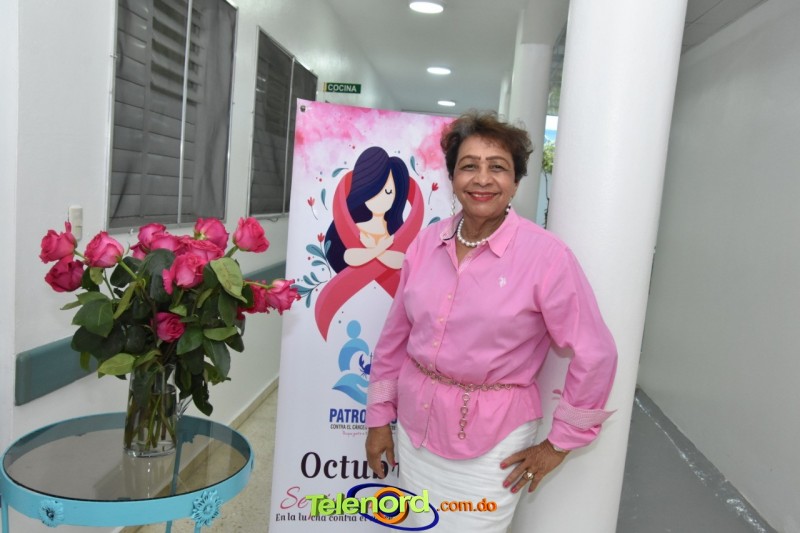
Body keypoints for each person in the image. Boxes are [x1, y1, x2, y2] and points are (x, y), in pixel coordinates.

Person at [365, 111, 618, 531]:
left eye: (497, 167)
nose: (482, 179)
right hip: (415, 428)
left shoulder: (547, 257)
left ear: (516, 181)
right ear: (452, 177)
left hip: (493, 443)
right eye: (469, 166)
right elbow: (394, 340)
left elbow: (597, 353)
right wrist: (378, 420)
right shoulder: (426, 244)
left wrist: (559, 444)